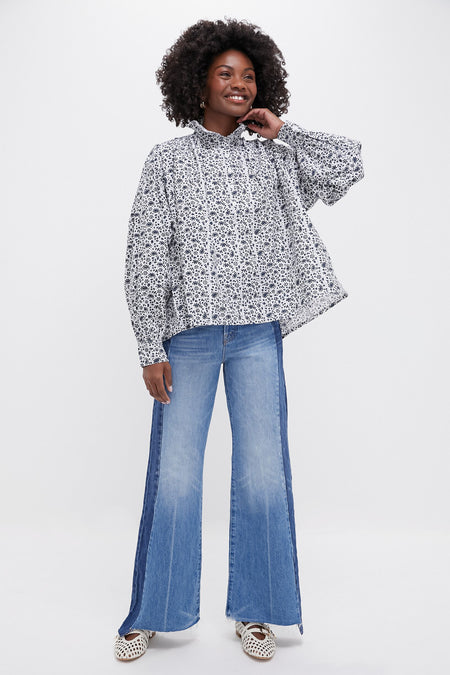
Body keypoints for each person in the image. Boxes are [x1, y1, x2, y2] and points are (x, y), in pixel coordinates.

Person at [113, 17, 364, 663]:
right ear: (197, 83)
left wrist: (286, 131)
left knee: (263, 473)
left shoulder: (274, 157)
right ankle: (153, 612)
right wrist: (149, 346)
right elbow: (146, 255)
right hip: (189, 340)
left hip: (257, 337)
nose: (239, 83)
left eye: (248, 75)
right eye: (225, 73)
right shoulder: (168, 161)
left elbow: (349, 165)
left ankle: (258, 610)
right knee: (175, 477)